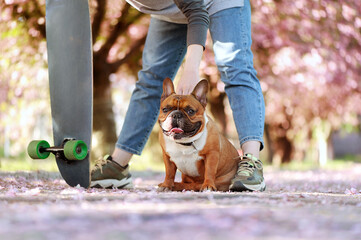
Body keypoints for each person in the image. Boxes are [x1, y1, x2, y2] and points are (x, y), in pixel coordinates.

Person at [90, 0, 266, 192]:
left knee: (235, 68)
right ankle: (118, 165)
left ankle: (251, 164)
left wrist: (191, 69)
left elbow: (197, 12)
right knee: (151, 78)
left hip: (218, 2)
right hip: (169, 9)